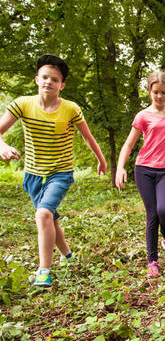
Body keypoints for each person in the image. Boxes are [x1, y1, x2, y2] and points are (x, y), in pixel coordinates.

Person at [0, 54, 107, 287]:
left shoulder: (70, 109)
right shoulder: (22, 104)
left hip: (60, 173)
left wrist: (101, 159)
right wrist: (3, 146)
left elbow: (87, 136)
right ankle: (68, 256)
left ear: (62, 85)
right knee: (49, 218)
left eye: (55, 79)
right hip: (33, 175)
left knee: (43, 214)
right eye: (45, 77)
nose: (49, 82)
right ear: (37, 79)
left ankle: (44, 271)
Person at [115, 70, 165, 278]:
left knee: (164, 209)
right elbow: (129, 145)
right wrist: (120, 168)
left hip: (164, 170)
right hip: (143, 169)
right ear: (149, 92)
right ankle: (152, 261)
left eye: (163, 92)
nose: (159, 96)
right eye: (156, 92)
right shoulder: (143, 116)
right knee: (152, 214)